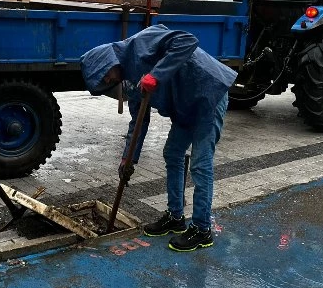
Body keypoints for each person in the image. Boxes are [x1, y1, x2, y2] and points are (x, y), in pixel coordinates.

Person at [80, 24, 237, 252]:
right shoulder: (128, 82)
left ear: (106, 61)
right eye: (104, 83)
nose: (107, 82)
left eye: (104, 77)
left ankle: (202, 229)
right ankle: (175, 217)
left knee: (201, 164)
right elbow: (138, 121)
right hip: (184, 106)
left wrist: (156, 74)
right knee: (172, 153)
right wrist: (128, 160)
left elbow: (187, 40)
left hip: (207, 93)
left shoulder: (142, 42)